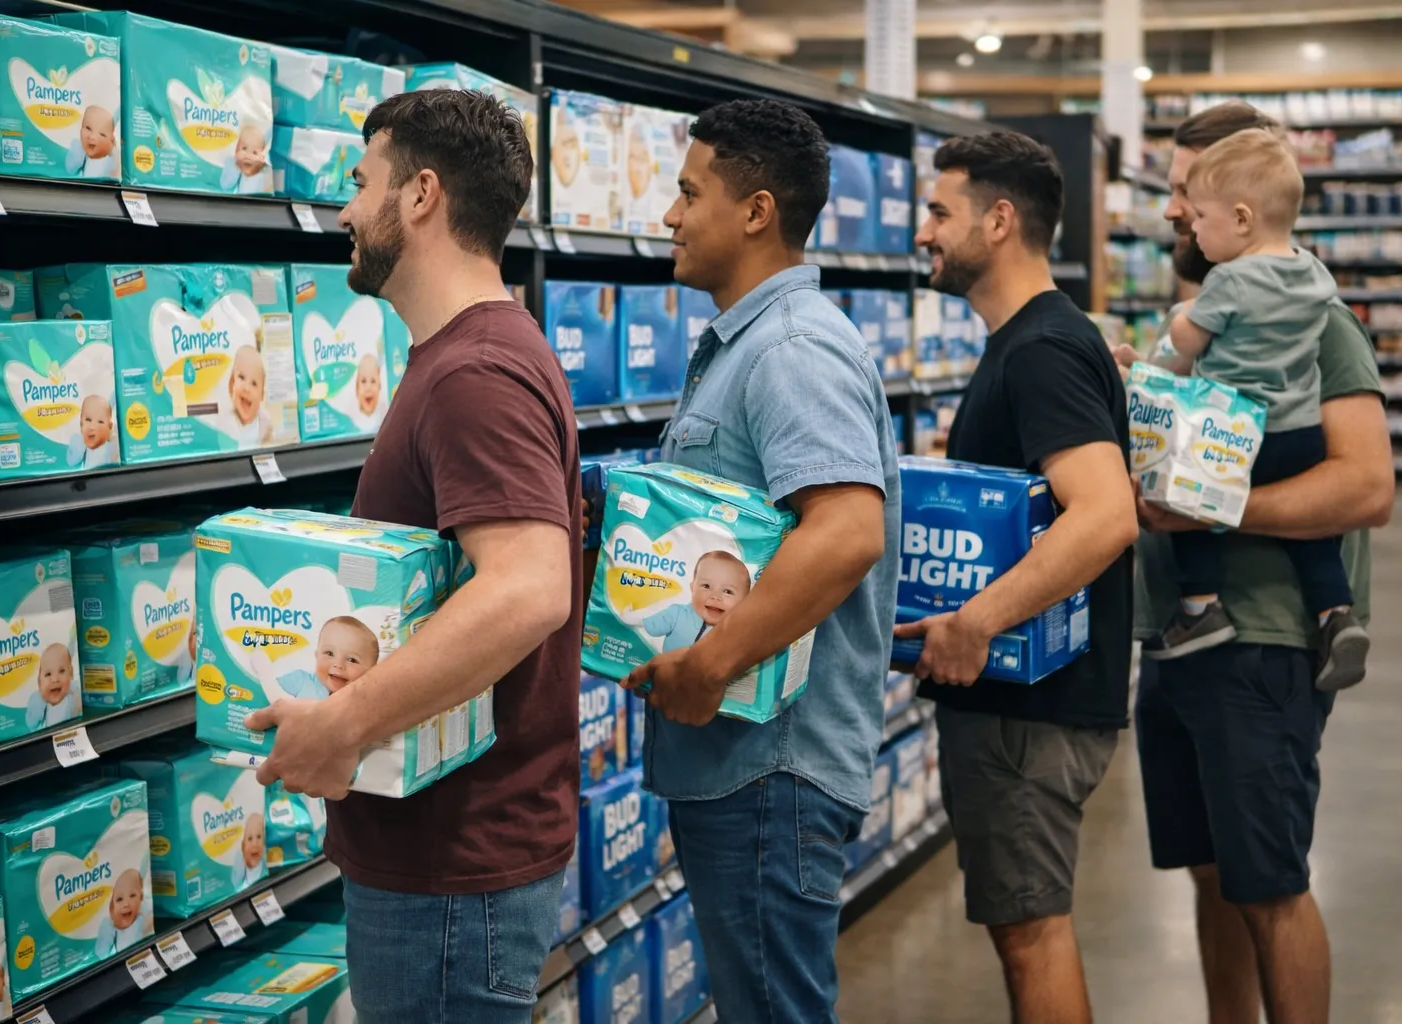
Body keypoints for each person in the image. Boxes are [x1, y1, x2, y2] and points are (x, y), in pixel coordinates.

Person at [246, 88, 581, 1024]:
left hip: (452, 867)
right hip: (447, 856)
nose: (346, 211)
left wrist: (346, 722)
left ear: (422, 195)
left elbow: (527, 590)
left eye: (361, 184)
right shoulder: (469, 353)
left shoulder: (473, 373)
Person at [623, 98, 899, 1022]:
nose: (669, 214)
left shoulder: (789, 348)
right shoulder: (751, 346)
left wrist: (710, 664)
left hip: (768, 768)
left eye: (688, 192)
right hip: (745, 769)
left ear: (756, 211)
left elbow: (847, 531)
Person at [1127, 100, 1395, 1024]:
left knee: (1271, 883)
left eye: (1183, 193)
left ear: (1238, 205)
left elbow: (1366, 488)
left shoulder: (1318, 324)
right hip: (1179, 638)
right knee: (1214, 876)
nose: (1172, 212)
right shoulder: (1219, 316)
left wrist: (1207, 506)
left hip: (1263, 645)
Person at [895, 131, 1137, 1024]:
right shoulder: (1038, 339)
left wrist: (977, 621)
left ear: (999, 221)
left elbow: (1105, 513)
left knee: (1033, 933)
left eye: (938, 211)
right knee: (1026, 928)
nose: (923, 232)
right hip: (1031, 707)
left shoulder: (1039, 350)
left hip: (1032, 715)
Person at [1146, 128, 1370, 688]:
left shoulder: (1227, 281)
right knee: (1315, 540)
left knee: (1190, 508)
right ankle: (1334, 613)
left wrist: (1174, 331)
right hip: (1298, 432)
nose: (1189, 224)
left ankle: (1200, 608)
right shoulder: (1314, 273)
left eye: (1198, 213)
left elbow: (1188, 340)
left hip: (1235, 431)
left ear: (1242, 219)